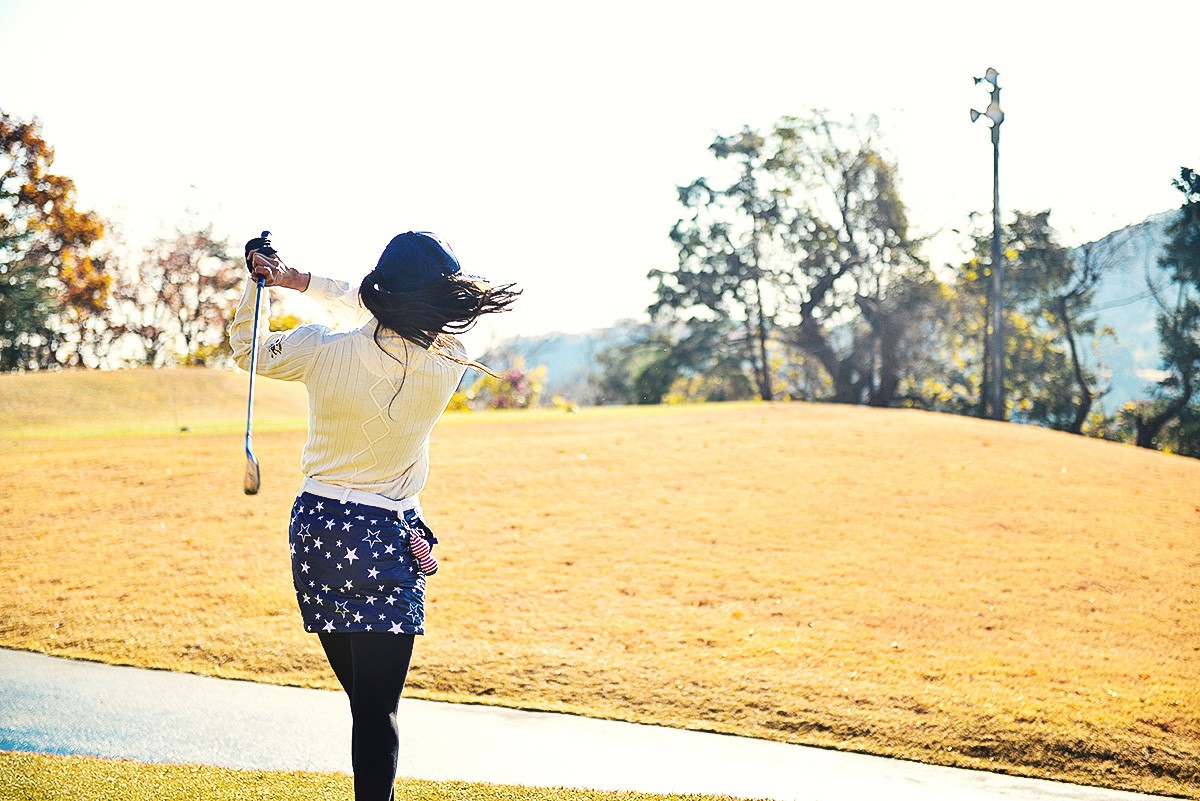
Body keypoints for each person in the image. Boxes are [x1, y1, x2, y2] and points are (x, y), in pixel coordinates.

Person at [230, 231, 519, 801]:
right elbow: (370, 304)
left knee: (364, 703)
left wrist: (263, 284)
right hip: (389, 536)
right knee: (376, 710)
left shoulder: (319, 349)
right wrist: (301, 279)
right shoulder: (451, 359)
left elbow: (248, 348)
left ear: (377, 289)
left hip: (319, 532)